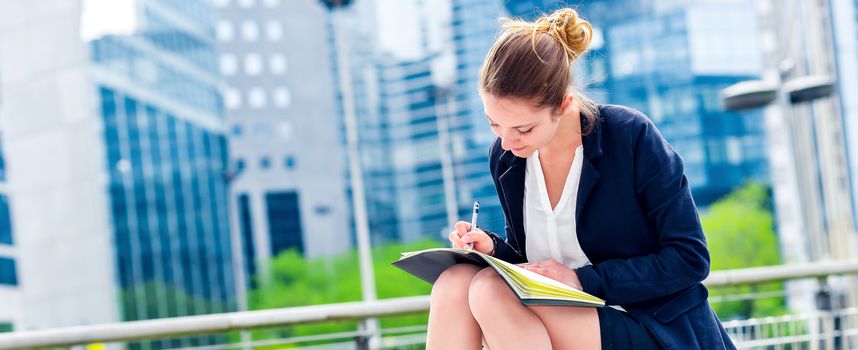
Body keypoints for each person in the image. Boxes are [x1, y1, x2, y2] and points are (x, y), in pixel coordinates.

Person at [425, 7, 735, 350]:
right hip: (561, 313)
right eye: (494, 124)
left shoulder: (629, 136)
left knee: (489, 290)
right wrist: (493, 248)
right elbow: (537, 262)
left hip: (647, 321)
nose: (507, 142)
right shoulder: (507, 158)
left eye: (523, 128)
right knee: (454, 281)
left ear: (563, 104)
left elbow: (689, 258)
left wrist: (581, 280)